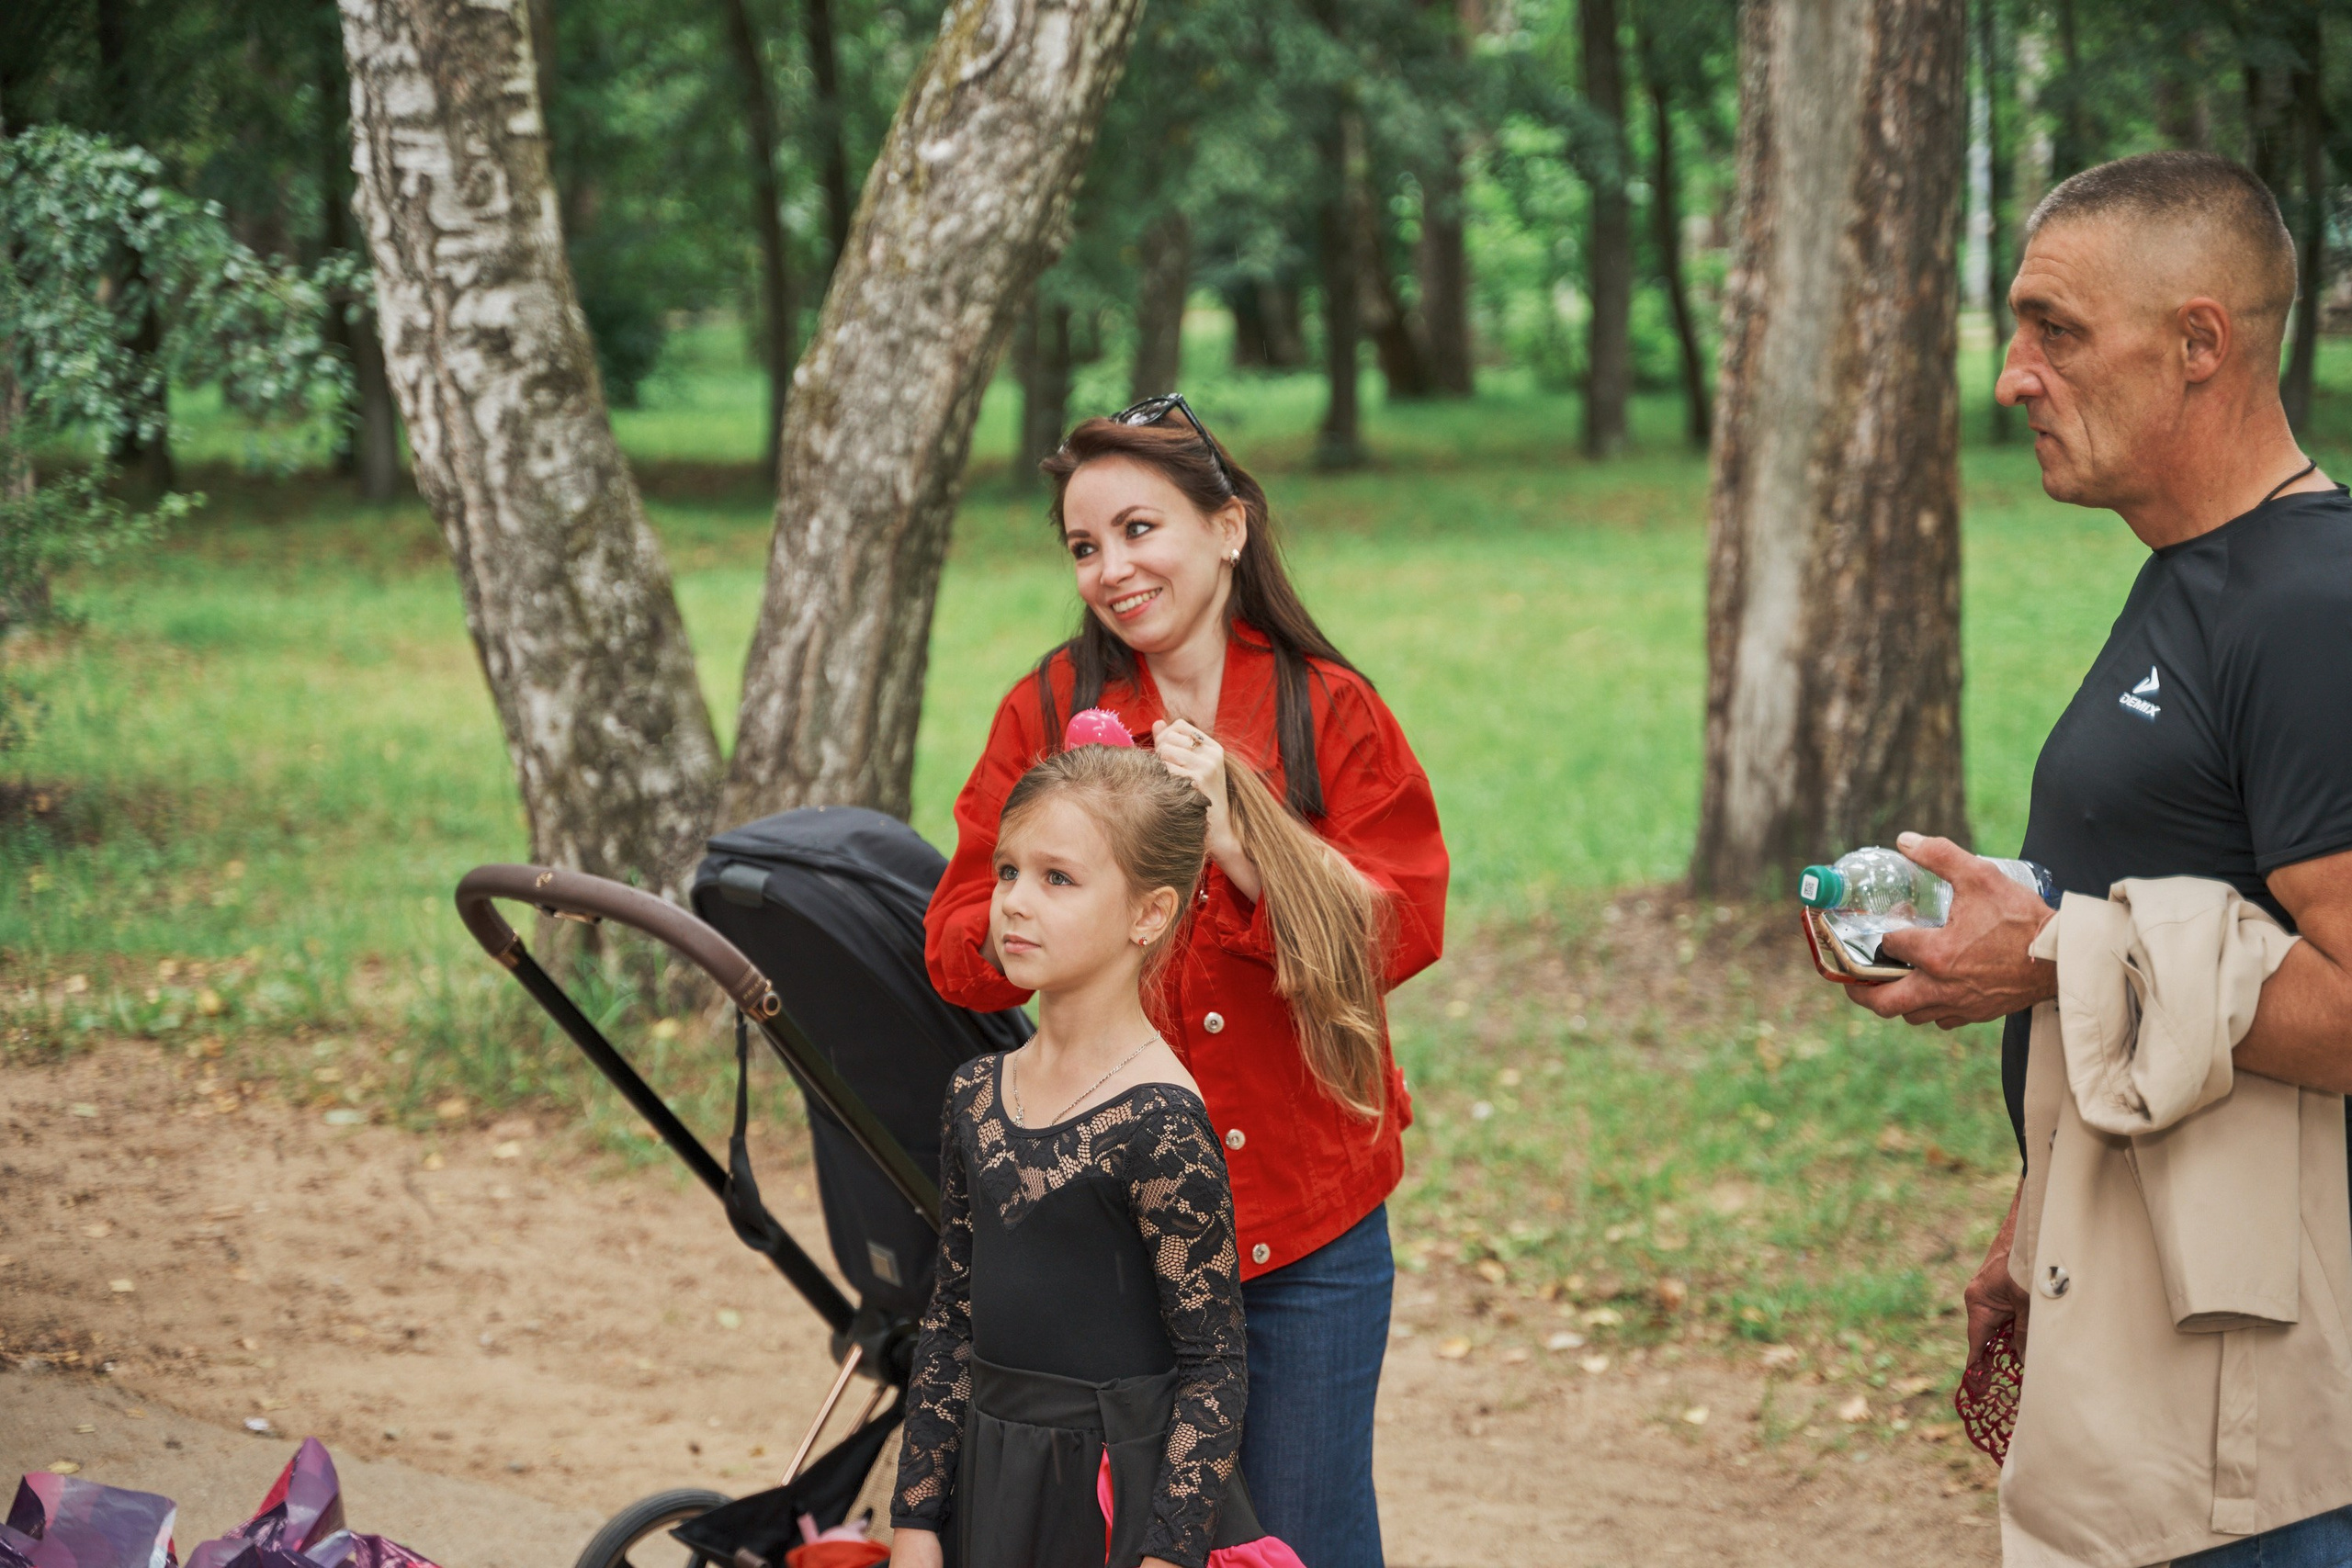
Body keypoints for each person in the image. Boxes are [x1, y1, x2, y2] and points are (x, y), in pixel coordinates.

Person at [1852, 152, 2352, 1564]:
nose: (2014, 376)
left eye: (2054, 330)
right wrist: (2039, 1209)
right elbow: (2184, 897)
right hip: (2136, 1290)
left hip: (2258, 1378)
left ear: (2201, 343)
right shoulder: (2192, 573)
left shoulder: (2316, 608)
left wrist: (2048, 949)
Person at [924, 397, 1448, 1568]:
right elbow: (958, 938)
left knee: (1302, 1542)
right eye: (1082, 546)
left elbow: (1403, 928)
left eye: (1139, 529)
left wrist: (1238, 840)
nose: (1110, 569)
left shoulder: (1328, 710)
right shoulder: (1050, 712)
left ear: (1229, 528)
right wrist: (1065, 897)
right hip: (1109, 1231)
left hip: (1302, 1230)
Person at [889, 738, 1344, 1568]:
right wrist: (917, 1517)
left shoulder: (1160, 1124)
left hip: (1110, 1511)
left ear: (1149, 913)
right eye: (1008, 872)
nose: (1015, 903)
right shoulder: (975, 1096)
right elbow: (952, 1314)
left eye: (1058, 878)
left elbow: (1213, 1368)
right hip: (993, 1494)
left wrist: (1165, 1555)